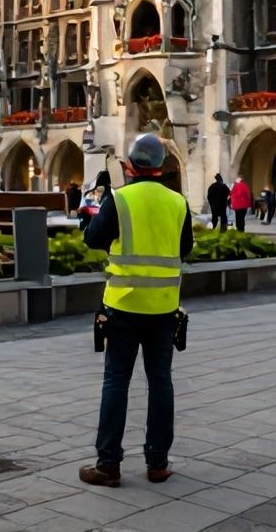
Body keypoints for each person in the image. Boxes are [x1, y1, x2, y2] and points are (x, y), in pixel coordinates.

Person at [79, 133, 194, 488]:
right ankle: (158, 463)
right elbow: (185, 248)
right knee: (161, 383)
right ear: (161, 166)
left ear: (129, 166)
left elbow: (93, 239)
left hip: (123, 307)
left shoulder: (120, 199)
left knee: (116, 382)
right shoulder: (178, 202)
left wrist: (95, 211)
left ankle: (108, 464)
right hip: (163, 309)